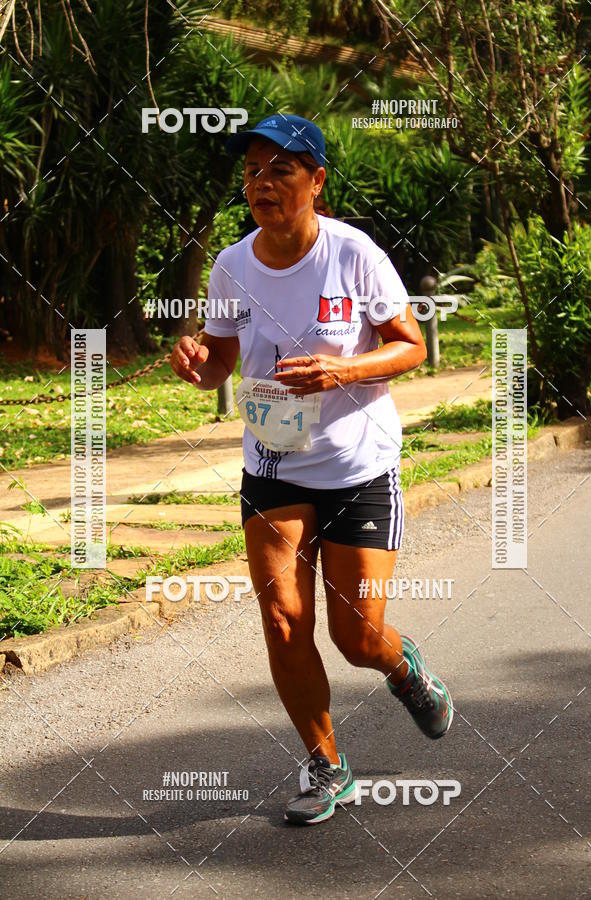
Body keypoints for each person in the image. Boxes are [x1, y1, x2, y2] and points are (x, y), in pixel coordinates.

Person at [169, 114, 453, 826]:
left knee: (358, 639)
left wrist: (342, 370)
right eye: (252, 172)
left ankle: (403, 669)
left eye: (280, 170)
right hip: (273, 465)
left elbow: (410, 345)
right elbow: (222, 359)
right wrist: (199, 366)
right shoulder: (233, 265)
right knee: (283, 617)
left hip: (357, 465)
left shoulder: (353, 253)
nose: (261, 184)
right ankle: (327, 766)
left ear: (317, 181)